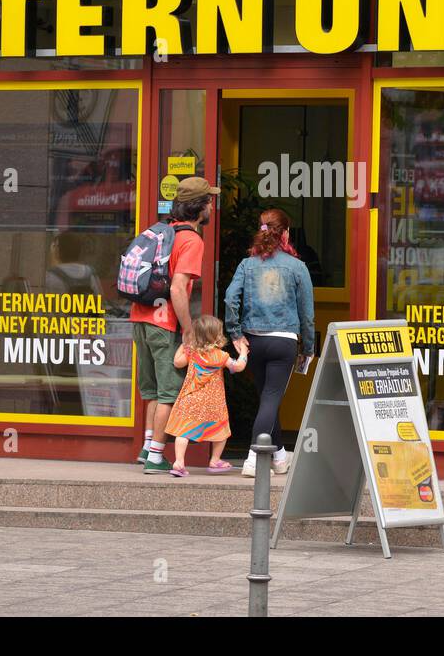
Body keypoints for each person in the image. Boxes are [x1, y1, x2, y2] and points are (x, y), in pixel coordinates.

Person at [132, 176, 219, 474]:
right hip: (164, 324)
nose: (212, 205)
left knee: (153, 391)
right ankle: (157, 456)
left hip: (140, 319)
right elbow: (178, 289)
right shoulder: (191, 240)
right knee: (169, 391)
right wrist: (188, 329)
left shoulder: (160, 232)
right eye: (209, 201)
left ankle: (146, 447)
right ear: (201, 206)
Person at [224, 208, 315, 478]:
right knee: (272, 399)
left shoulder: (246, 264)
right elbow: (307, 315)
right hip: (284, 342)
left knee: (267, 399)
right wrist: (308, 348)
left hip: (253, 341)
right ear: (285, 233)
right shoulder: (297, 267)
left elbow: (230, 299)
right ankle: (254, 456)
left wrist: (235, 334)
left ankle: (279, 456)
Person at [165, 314, 248, 477]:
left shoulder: (192, 352)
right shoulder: (221, 356)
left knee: (183, 432)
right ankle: (215, 460)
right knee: (222, 430)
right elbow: (238, 366)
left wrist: (184, 344)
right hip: (213, 403)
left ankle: (179, 462)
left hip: (190, 399)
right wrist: (244, 352)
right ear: (217, 336)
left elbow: (177, 362)